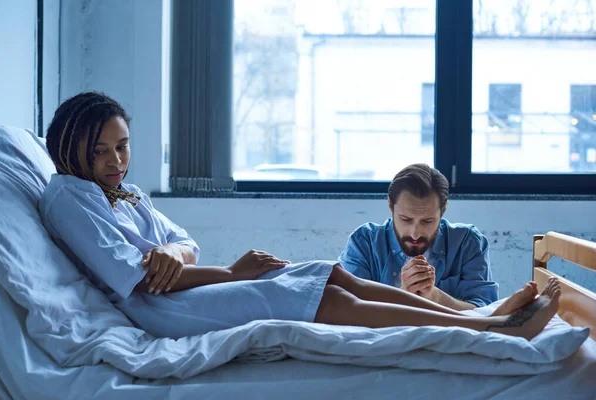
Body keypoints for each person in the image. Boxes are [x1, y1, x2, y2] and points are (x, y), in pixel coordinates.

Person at [39, 91, 560, 341]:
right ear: (69, 147)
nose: (115, 161)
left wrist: (173, 253)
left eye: (123, 147)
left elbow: (182, 243)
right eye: (100, 151)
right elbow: (137, 278)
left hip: (186, 286)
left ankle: (475, 317)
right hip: (164, 310)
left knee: (324, 272)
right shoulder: (68, 197)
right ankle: (492, 331)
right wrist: (229, 274)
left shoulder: (125, 193)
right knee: (319, 294)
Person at [339, 164, 498, 311]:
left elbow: (485, 312)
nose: (415, 233)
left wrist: (435, 297)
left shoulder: (467, 243)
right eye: (406, 219)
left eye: (427, 221)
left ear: (443, 210)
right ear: (390, 206)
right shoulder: (363, 243)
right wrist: (402, 295)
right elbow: (347, 310)